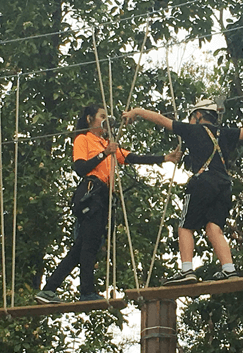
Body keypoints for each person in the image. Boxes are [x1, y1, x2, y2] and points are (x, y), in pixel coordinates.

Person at [35, 103, 181, 303]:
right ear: (89, 119)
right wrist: (104, 154)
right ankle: (86, 291)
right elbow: (80, 168)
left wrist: (166, 158)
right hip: (90, 193)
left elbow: (133, 158)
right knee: (90, 245)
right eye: (101, 115)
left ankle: (49, 288)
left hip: (103, 197)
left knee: (81, 248)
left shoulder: (107, 144)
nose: (105, 119)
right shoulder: (83, 139)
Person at [122, 93, 243, 285]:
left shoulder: (191, 130)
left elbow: (161, 119)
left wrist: (137, 111)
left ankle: (187, 270)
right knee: (214, 228)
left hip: (203, 181)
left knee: (185, 226)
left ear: (197, 116)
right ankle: (229, 269)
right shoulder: (225, 132)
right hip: (224, 184)